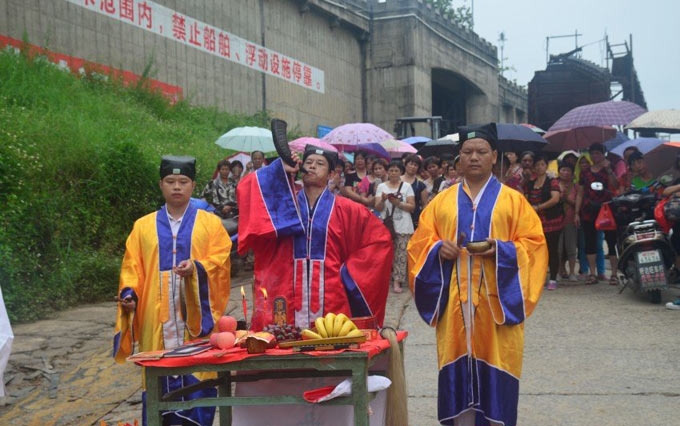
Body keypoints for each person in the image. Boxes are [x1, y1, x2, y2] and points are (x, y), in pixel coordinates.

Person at [408, 123, 547, 426]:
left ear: (494, 156)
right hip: (454, 307)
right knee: (459, 393)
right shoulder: (441, 202)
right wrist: (437, 250)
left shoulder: (514, 201)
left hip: (496, 308)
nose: (473, 157)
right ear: (459, 157)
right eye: (467, 151)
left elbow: (534, 246)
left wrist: (501, 250)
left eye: (481, 151)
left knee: (496, 377)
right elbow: (418, 244)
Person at [113, 156, 231, 426]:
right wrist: (130, 294)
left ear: (193, 185)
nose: (177, 187)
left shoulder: (211, 224)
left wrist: (197, 268)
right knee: (158, 382)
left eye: (183, 181)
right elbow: (132, 267)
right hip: (156, 320)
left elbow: (221, 260)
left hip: (196, 319)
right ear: (160, 185)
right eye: (170, 181)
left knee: (199, 377)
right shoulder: (142, 226)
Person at [237, 145, 393, 331]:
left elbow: (380, 241)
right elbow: (246, 190)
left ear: (331, 174)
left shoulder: (348, 209)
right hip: (285, 293)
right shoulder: (284, 205)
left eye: (320, 164)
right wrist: (279, 170)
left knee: (332, 339)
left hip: (332, 293)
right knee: (282, 340)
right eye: (309, 162)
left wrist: (346, 274)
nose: (312, 166)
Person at [574, 143, 619, 285]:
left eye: (598, 153)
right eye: (593, 153)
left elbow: (615, 185)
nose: (595, 156)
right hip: (588, 210)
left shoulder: (609, 169)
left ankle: (614, 274)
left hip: (607, 209)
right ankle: (592, 274)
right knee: (590, 242)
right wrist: (576, 213)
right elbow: (580, 194)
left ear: (603, 154)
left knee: (611, 241)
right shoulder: (585, 172)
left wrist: (609, 170)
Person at [525, 154, 564, 290]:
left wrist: (538, 207)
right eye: (537, 165)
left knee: (552, 249)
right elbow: (525, 198)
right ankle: (539, 277)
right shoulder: (530, 183)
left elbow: (555, 199)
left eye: (542, 164)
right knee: (537, 250)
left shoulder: (552, 181)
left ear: (546, 166)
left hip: (552, 221)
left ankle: (553, 278)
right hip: (535, 222)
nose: (539, 167)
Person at [376, 160, 415, 293]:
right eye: (391, 170)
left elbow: (412, 206)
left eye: (396, 170)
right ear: (387, 172)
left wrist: (398, 203)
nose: (393, 173)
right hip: (386, 225)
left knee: (401, 254)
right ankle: (386, 278)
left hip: (404, 225)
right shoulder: (381, 186)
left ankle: (397, 281)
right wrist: (383, 199)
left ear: (401, 172)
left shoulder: (407, 186)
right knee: (386, 254)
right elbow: (378, 207)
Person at [557, 162, 578, 281]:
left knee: (571, 247)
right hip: (557, 220)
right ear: (559, 172)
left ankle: (572, 272)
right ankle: (558, 271)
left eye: (568, 170)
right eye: (563, 170)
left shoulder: (575, 187)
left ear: (572, 173)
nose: (565, 173)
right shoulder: (554, 185)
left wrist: (566, 199)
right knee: (558, 248)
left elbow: (578, 203)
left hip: (571, 219)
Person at [401, 154, 429, 228]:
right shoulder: (396, 181)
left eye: (415, 165)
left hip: (414, 218)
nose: (413, 167)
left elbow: (424, 204)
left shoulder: (420, 185)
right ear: (405, 165)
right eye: (411, 164)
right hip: (398, 216)